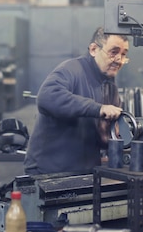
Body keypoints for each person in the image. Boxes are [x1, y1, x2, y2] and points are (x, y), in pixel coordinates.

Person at [24, 27, 130, 175]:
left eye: (123, 55)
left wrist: (111, 136)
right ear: (93, 49)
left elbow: (104, 135)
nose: (119, 60)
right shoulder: (71, 70)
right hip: (48, 172)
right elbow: (47, 96)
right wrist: (98, 109)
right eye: (114, 52)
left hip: (85, 172)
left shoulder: (110, 87)